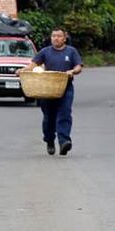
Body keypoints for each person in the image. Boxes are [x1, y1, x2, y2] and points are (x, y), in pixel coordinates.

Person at [22, 27, 82, 156]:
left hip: (65, 88)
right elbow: (33, 65)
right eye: (54, 36)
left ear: (64, 38)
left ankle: (64, 141)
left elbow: (78, 66)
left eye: (59, 36)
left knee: (65, 114)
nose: (56, 38)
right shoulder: (45, 52)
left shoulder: (71, 51)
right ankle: (49, 140)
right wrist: (22, 71)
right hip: (47, 89)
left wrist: (72, 71)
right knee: (49, 117)